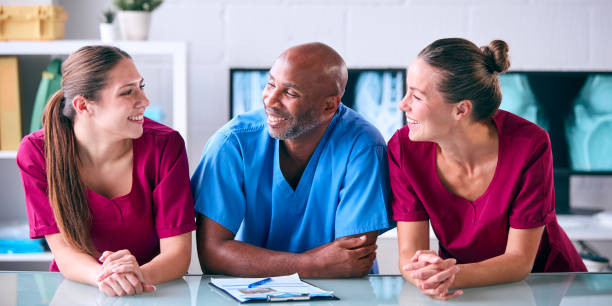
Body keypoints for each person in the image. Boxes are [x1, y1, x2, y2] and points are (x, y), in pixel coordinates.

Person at [388, 38, 586, 300]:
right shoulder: (403, 150)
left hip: (546, 285)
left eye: (416, 95)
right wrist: (424, 273)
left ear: (461, 109)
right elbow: (408, 255)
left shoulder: (529, 145)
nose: (403, 105)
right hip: (462, 288)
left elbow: (519, 261)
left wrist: (448, 276)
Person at [191, 42, 392, 278]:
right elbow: (212, 254)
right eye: (270, 84)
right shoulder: (232, 143)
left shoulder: (363, 145)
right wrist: (311, 264)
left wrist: (251, 260)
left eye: (290, 93)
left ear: (329, 105)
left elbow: (352, 261)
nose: (270, 101)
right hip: (256, 294)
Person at [17, 46, 196, 297]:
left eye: (141, 86)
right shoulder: (37, 152)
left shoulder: (166, 145)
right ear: (83, 105)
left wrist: (135, 276)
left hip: (152, 290)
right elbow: (64, 252)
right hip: (77, 290)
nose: (144, 101)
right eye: (127, 92)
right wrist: (106, 277)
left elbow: (178, 254)